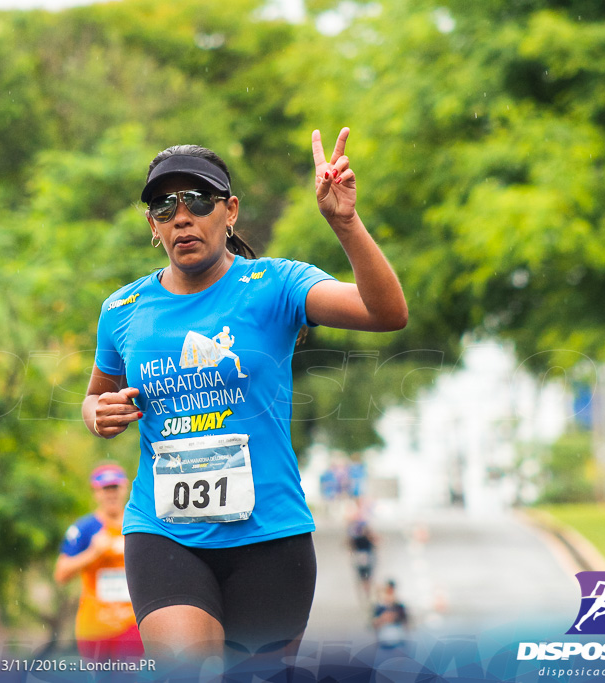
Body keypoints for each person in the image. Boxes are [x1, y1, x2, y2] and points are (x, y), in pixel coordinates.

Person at [82, 128, 407, 666]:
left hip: (270, 537)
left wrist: (344, 224)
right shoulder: (122, 308)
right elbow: (95, 397)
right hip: (165, 533)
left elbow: (386, 314)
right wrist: (98, 413)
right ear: (152, 226)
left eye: (198, 201)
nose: (181, 217)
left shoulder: (276, 285)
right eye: (164, 207)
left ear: (229, 211)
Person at [54, 463, 144, 660]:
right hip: (94, 626)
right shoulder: (84, 528)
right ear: (95, 492)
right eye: (105, 489)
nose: (111, 494)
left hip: (132, 622)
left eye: (115, 488)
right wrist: (93, 553)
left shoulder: (139, 523)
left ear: (125, 487)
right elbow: (61, 574)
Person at [372, 579, 409, 649]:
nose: (389, 594)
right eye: (387, 591)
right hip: (384, 638)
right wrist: (382, 619)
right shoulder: (379, 607)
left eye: (391, 591)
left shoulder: (399, 606)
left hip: (398, 637)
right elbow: (374, 624)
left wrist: (395, 617)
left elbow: (405, 622)